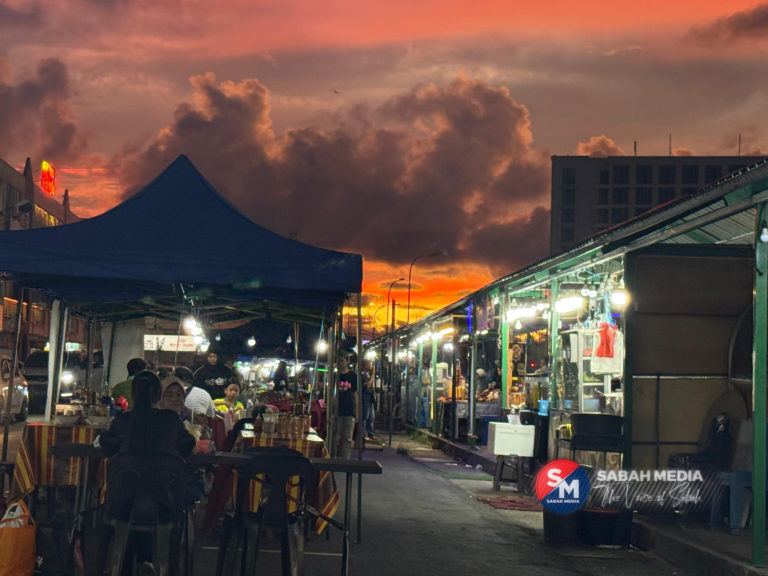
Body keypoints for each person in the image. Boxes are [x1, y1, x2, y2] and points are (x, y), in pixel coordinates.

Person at [335, 351, 358, 458]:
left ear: (347, 361)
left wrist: (356, 412)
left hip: (349, 410)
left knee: (348, 437)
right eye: (338, 361)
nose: (340, 363)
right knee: (336, 436)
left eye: (342, 361)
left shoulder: (353, 376)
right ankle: (333, 457)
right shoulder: (335, 376)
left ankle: (345, 459)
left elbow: (355, 394)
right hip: (337, 410)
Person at [361, 361, 376, 439]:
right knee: (365, 417)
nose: (371, 366)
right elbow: (368, 385)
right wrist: (373, 374)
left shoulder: (368, 375)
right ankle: (363, 434)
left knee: (371, 417)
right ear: (365, 366)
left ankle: (371, 433)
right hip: (365, 398)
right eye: (370, 364)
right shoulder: (363, 375)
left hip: (370, 399)